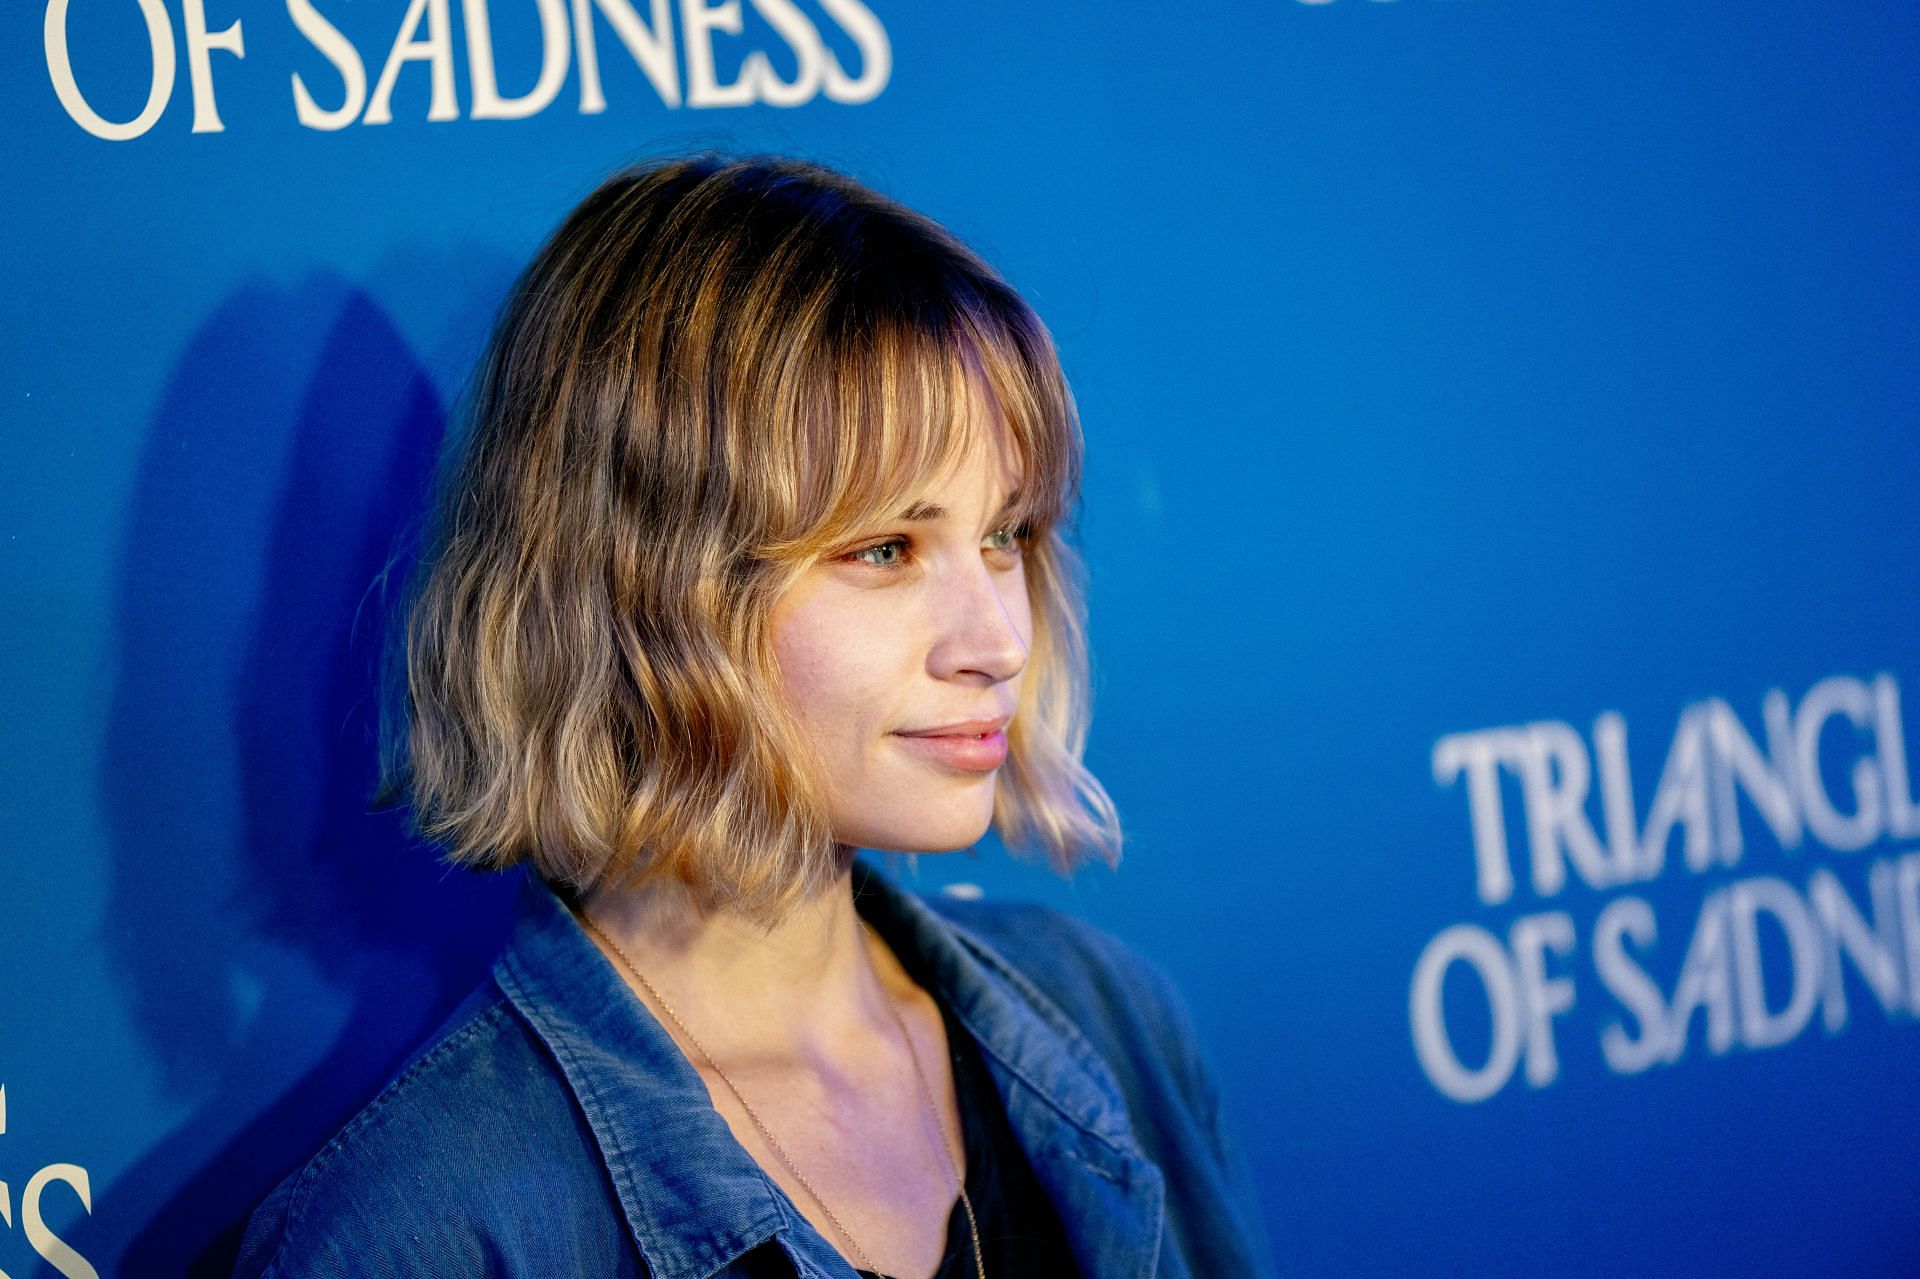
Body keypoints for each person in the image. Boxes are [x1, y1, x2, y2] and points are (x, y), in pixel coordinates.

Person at [233, 155, 1277, 1279]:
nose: (998, 642)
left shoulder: (1110, 1020)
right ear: (644, 586)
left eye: (1006, 536)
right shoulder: (429, 1227)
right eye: (886, 549)